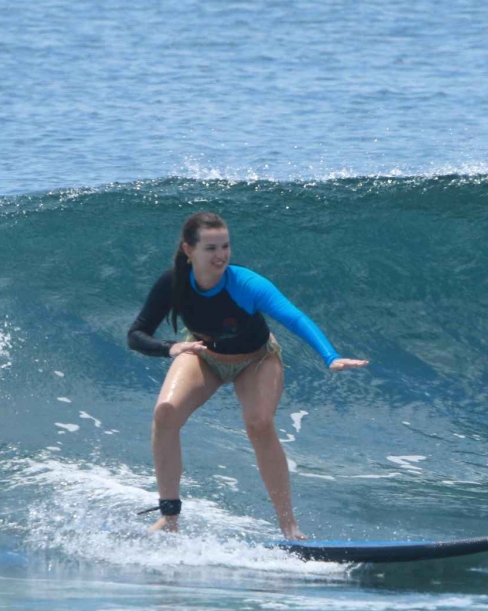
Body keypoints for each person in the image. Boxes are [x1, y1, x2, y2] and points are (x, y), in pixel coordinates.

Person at [127, 211, 368, 539]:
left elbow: (294, 318)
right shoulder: (173, 284)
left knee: (259, 423)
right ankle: (169, 517)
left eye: (225, 246)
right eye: (211, 248)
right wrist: (170, 348)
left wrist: (330, 356)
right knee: (165, 413)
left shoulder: (245, 284)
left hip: (257, 359)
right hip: (204, 355)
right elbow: (136, 334)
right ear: (189, 250)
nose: (221, 255)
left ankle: (288, 525)